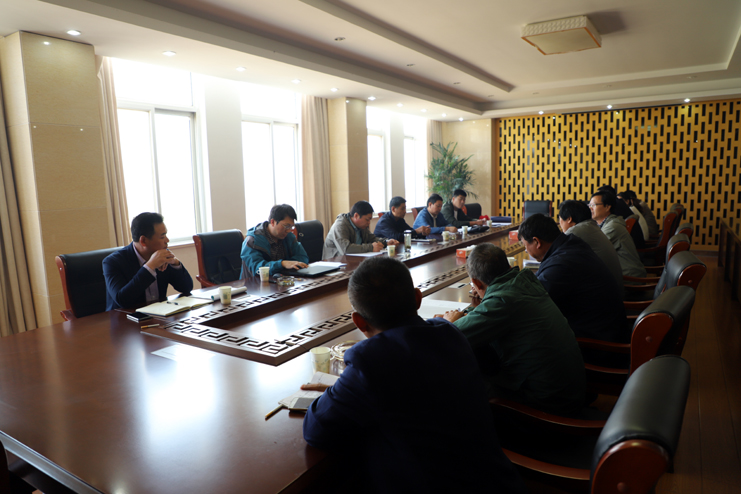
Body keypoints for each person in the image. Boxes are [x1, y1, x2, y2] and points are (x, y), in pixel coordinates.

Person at [302, 257, 526, 494]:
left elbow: (316, 430)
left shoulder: (368, 362)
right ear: (418, 299)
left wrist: (341, 389)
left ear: (359, 322)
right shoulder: (451, 333)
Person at [442, 244, 586, 414]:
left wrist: (450, 321)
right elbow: (488, 311)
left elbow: (449, 336)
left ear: (476, 283)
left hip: (547, 405)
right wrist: (466, 315)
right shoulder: (525, 281)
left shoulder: (503, 301)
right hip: (570, 392)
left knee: (462, 379)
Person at [518, 214, 628, 344]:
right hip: (607, 329)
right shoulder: (570, 244)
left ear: (537, 242)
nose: (526, 250)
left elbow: (532, 303)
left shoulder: (562, 262)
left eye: (525, 246)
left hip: (597, 344)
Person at [103, 212, 193, 311]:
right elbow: (122, 300)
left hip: (159, 314)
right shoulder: (112, 262)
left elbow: (186, 288)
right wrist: (149, 267)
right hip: (126, 318)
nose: (167, 240)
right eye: (162, 237)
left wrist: (175, 263)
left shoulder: (162, 256)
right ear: (143, 241)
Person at [558, 200, 624, 297]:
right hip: (613, 291)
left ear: (569, 219)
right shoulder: (591, 226)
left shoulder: (574, 232)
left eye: (560, 219)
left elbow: (555, 255)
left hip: (605, 297)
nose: (559, 224)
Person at [240, 204, 309, 278]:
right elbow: (257, 268)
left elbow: (303, 257)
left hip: (281, 280)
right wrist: (282, 264)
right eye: (286, 226)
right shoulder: (253, 241)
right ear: (272, 222)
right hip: (254, 283)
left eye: (291, 226)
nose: (289, 230)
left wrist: (291, 264)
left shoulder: (288, 236)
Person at [590, 191, 647, 278]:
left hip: (629, 276)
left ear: (607, 207)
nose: (590, 208)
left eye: (594, 205)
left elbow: (593, 249)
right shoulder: (605, 224)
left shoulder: (613, 227)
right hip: (619, 273)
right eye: (589, 205)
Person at [322, 200, 399, 258]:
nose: (369, 223)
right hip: (334, 262)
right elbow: (346, 249)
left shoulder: (362, 226)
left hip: (353, 260)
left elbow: (372, 239)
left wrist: (386, 242)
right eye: (367, 219)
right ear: (356, 216)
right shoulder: (340, 225)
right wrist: (371, 248)